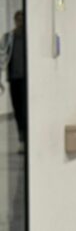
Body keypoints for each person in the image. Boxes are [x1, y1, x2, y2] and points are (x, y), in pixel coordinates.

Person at [1, 11, 26, 146]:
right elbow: (2, 58)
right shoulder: (8, 38)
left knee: (25, 109)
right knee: (17, 109)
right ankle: (21, 137)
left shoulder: (29, 37)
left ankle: (27, 138)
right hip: (14, 79)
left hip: (26, 81)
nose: (20, 23)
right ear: (15, 21)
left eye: (22, 20)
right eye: (18, 20)